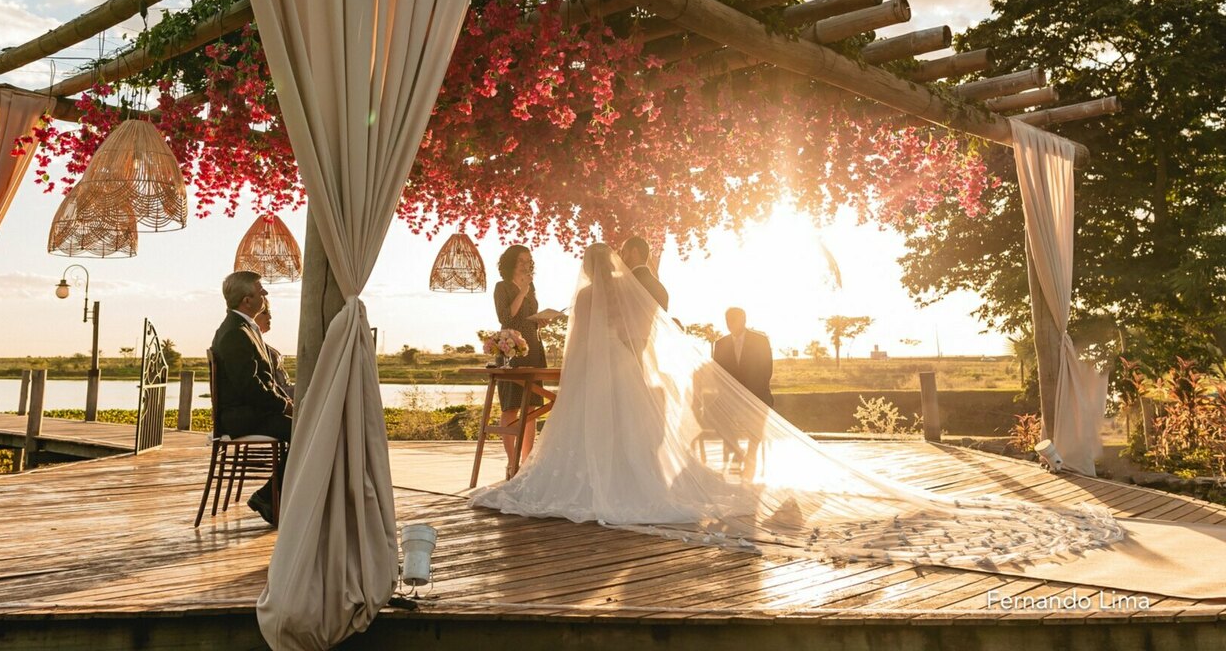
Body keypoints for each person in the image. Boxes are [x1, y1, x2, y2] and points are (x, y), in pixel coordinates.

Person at [471, 244, 1126, 576]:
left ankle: (576, 475)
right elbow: (629, 337)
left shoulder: (581, 304)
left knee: (581, 435)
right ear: (610, 269)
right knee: (631, 439)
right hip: (617, 375)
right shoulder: (611, 299)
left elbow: (590, 346)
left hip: (591, 384)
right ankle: (621, 476)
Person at [211, 270, 293, 526]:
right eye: (260, 290)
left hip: (252, 413)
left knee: (307, 426)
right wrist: (284, 405)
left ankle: (274, 496)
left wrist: (287, 404)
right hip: (243, 418)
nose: (265, 294)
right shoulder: (236, 333)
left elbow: (262, 382)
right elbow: (250, 386)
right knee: (309, 431)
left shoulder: (244, 328)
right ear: (247, 300)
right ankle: (269, 497)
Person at [492, 245, 548, 464]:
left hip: (533, 348)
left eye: (528, 260)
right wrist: (522, 292)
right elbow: (506, 318)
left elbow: (527, 317)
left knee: (531, 408)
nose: (526, 265)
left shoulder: (531, 286)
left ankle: (526, 462)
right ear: (511, 263)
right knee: (512, 406)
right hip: (511, 349)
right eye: (521, 261)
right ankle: (511, 461)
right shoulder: (502, 287)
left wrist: (540, 321)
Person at [713, 307, 773, 408]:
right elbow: (717, 373)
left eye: (733, 319)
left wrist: (748, 396)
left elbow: (766, 371)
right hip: (730, 402)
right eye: (727, 320)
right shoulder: (720, 344)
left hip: (758, 400)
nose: (730, 323)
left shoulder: (760, 341)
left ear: (744, 320)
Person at [620, 235, 668, 310]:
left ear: (634, 252)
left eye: (623, 253)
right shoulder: (662, 290)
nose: (621, 258)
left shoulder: (625, 284)